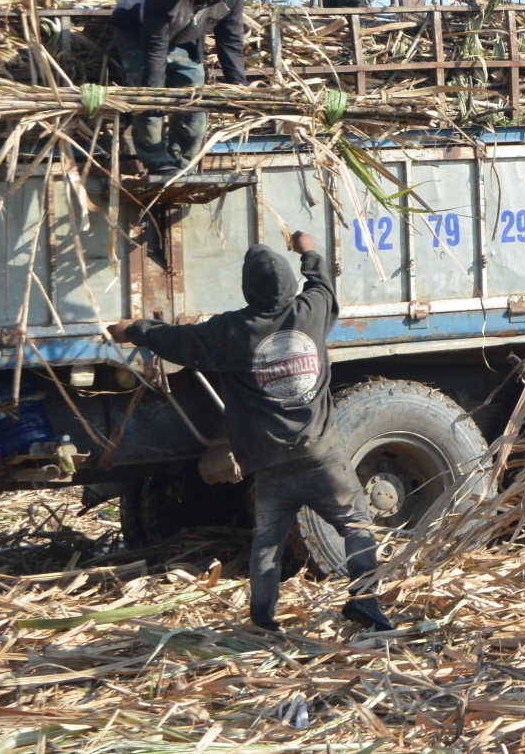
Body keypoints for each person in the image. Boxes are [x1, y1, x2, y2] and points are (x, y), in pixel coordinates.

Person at [108, 232, 398, 636]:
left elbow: (174, 340)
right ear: (288, 284)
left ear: (247, 287)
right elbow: (323, 284)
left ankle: (263, 621)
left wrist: (133, 329)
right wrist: (308, 250)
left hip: (269, 462)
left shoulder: (232, 332)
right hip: (320, 453)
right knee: (356, 525)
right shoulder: (312, 311)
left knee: (267, 543)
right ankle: (365, 603)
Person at [112, 0, 245, 176]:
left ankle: (182, 161)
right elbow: (155, 45)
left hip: (185, 32)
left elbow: (231, 42)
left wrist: (239, 89)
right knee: (147, 93)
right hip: (137, 28)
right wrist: (154, 94)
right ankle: (158, 161)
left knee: (194, 88)